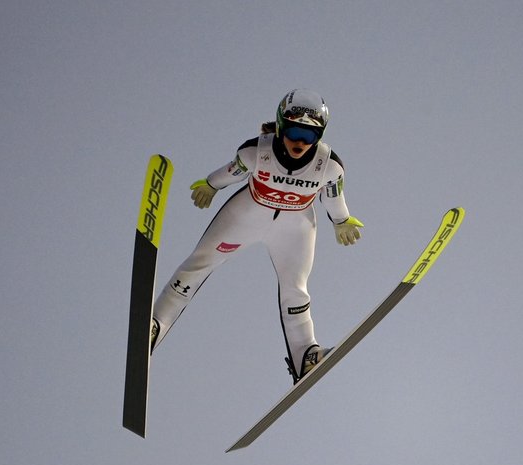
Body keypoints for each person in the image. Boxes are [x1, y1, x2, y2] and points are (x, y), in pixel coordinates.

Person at [150, 89, 363, 384]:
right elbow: (231, 172)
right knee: (198, 264)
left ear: (321, 136)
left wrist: (341, 221)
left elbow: (334, 197)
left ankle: (306, 356)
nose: (300, 142)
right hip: (247, 215)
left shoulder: (329, 166)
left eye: (310, 135)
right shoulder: (255, 152)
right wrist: (211, 185)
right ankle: (156, 325)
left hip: (295, 227)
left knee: (296, 289)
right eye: (293, 131)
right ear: (279, 126)